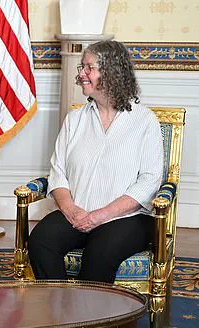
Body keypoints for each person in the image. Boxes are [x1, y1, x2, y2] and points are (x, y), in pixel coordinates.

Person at [28, 40, 163, 283]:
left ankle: (90, 309)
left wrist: (100, 216)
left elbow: (149, 181)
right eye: (82, 67)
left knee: (100, 254)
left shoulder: (144, 121)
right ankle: (59, 303)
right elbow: (58, 173)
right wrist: (71, 211)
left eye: (89, 68)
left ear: (112, 71)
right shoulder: (75, 119)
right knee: (41, 241)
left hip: (127, 218)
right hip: (77, 212)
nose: (81, 74)